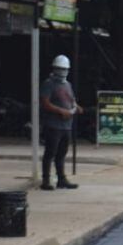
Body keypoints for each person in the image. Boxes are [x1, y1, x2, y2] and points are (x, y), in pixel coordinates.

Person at [39, 55, 83, 190]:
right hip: (53, 125)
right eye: (60, 68)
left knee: (62, 154)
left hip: (66, 125)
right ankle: (46, 180)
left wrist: (76, 107)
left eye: (64, 69)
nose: (62, 71)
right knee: (50, 153)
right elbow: (45, 103)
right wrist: (60, 111)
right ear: (54, 68)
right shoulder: (49, 84)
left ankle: (61, 179)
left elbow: (71, 100)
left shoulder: (67, 85)